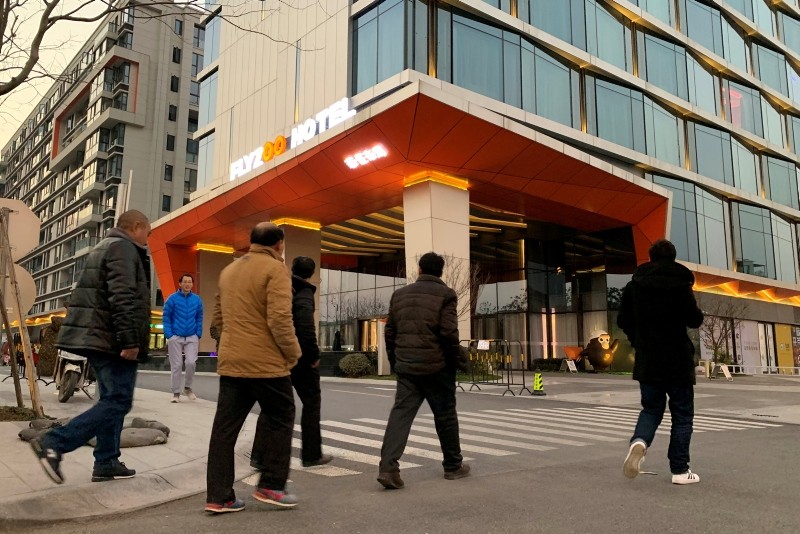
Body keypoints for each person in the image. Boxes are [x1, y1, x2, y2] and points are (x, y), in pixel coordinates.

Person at [30, 210, 152, 484]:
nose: (149, 238)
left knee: (111, 400)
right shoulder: (123, 248)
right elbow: (122, 296)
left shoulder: (106, 246)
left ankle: (106, 461)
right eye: (148, 232)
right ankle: (53, 443)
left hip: (101, 338)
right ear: (136, 227)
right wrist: (129, 340)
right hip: (112, 340)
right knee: (118, 401)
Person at [205, 222, 302, 514]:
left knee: (224, 430)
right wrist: (293, 353)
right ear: (279, 244)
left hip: (232, 362)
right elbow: (279, 319)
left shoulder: (229, 270)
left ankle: (219, 497)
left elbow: (219, 318)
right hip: (267, 364)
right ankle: (271, 484)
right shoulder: (276, 270)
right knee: (282, 415)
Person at [377, 252, 469, 489]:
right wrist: (455, 361)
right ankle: (452, 466)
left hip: (407, 367)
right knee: (445, 415)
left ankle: (388, 468)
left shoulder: (399, 295)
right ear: (441, 272)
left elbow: (390, 333)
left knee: (400, 415)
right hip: (437, 367)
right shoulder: (446, 295)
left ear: (419, 270)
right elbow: (448, 333)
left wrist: (396, 362)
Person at [617, 239, 704, 485]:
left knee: (652, 409)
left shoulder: (634, 286)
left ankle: (639, 442)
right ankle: (679, 470)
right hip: (677, 359)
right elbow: (694, 320)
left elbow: (623, 320)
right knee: (682, 415)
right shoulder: (681, 284)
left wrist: (638, 341)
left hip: (648, 359)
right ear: (673, 257)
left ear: (651, 257)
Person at [250, 256, 332, 471]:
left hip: (278, 354)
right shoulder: (304, 293)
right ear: (311, 274)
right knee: (312, 402)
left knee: (271, 405)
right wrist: (312, 355)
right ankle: (312, 454)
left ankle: (258, 456)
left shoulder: (283, 287)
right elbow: (305, 326)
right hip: (301, 358)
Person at [162, 273, 203, 403]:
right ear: (180, 284)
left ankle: (187, 388)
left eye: (190, 282)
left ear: (192, 284)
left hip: (192, 336)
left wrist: (198, 334)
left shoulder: (197, 300)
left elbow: (199, 317)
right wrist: (170, 335)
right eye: (185, 282)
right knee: (177, 365)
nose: (187, 284)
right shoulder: (172, 299)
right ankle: (175, 393)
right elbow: (166, 317)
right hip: (175, 336)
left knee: (191, 362)